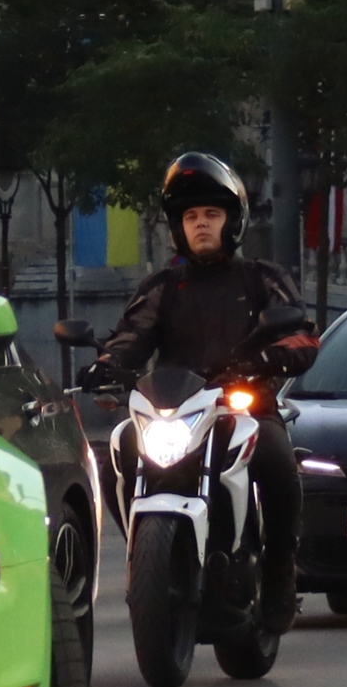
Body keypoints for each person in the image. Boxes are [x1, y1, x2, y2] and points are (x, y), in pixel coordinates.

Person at [80, 153, 319, 630]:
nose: (201, 224)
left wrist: (270, 357)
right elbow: (132, 335)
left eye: (211, 214)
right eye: (191, 217)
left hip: (243, 405)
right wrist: (106, 364)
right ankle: (147, 553)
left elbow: (301, 334)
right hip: (174, 409)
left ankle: (278, 573)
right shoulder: (163, 287)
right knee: (120, 448)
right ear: (178, 227)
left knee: (272, 450)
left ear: (232, 221)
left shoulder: (260, 278)